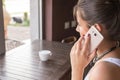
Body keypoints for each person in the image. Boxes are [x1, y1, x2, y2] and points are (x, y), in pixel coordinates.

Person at [70, 0, 120, 80]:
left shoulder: (102, 71)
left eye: (79, 24)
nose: (77, 29)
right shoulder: (116, 49)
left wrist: (77, 70)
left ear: (96, 29)